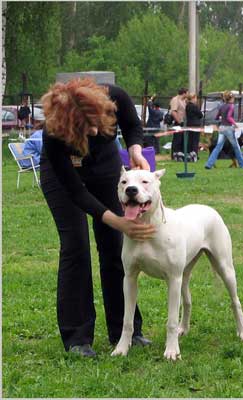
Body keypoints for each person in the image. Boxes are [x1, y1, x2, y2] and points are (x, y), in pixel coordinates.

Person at [40, 77, 155, 357]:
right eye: (84, 127)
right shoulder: (53, 132)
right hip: (64, 176)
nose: (92, 130)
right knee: (76, 246)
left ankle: (125, 330)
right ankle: (77, 337)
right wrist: (116, 220)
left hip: (105, 168)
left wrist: (134, 149)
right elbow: (77, 194)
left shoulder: (115, 96)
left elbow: (132, 125)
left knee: (114, 246)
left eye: (95, 123)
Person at [205, 91, 243, 169]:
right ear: (231, 99)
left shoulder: (221, 106)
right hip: (228, 128)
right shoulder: (231, 106)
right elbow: (229, 117)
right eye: (234, 98)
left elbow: (217, 117)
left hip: (221, 128)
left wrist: (221, 118)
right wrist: (235, 124)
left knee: (218, 147)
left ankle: (209, 164)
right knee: (236, 147)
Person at [170, 87, 188, 161]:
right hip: (178, 122)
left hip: (183, 122)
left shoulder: (184, 100)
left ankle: (180, 154)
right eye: (187, 92)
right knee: (177, 139)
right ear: (184, 93)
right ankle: (174, 154)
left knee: (181, 139)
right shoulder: (175, 99)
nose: (188, 94)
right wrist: (179, 121)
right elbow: (173, 111)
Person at [185, 93, 203, 162]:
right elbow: (200, 114)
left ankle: (189, 154)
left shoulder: (187, 106)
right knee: (195, 140)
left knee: (190, 140)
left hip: (189, 124)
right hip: (196, 124)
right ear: (192, 98)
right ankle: (194, 154)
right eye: (195, 98)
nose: (196, 100)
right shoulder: (194, 106)